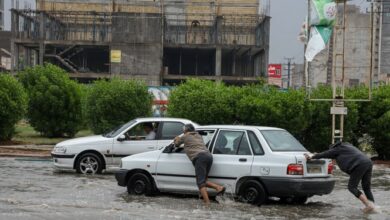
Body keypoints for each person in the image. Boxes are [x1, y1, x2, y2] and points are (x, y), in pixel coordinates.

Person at [304, 142, 376, 213]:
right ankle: (373, 207)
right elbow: (325, 154)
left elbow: (325, 154)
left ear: (333, 148)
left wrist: (312, 156)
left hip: (358, 164)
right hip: (368, 162)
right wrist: (315, 154)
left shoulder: (337, 149)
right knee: (366, 187)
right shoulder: (347, 147)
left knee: (352, 187)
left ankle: (368, 205)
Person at [174, 124, 225, 204]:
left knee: (200, 182)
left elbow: (176, 144)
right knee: (203, 180)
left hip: (200, 157)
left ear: (186, 131)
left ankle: (208, 203)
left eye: (183, 131)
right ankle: (214, 190)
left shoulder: (186, 136)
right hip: (208, 156)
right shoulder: (198, 135)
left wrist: (176, 138)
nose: (183, 132)